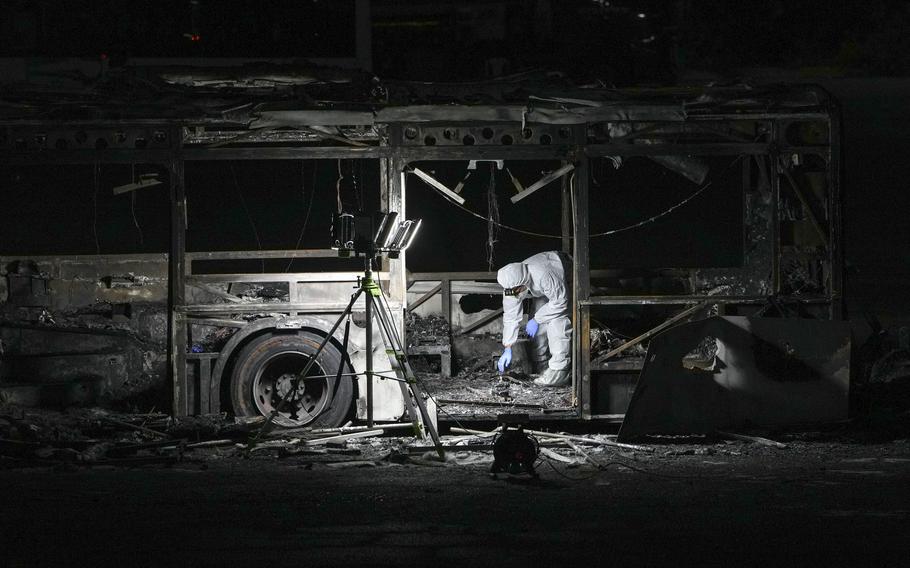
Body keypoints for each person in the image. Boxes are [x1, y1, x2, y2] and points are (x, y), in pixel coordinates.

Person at [496, 251, 572, 386]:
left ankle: (559, 371)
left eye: (517, 290)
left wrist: (536, 320)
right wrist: (507, 346)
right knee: (537, 324)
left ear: (524, 282)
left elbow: (561, 302)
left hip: (566, 273)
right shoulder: (512, 282)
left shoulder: (545, 275)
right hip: (544, 288)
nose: (515, 293)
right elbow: (510, 315)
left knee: (556, 320)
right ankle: (542, 366)